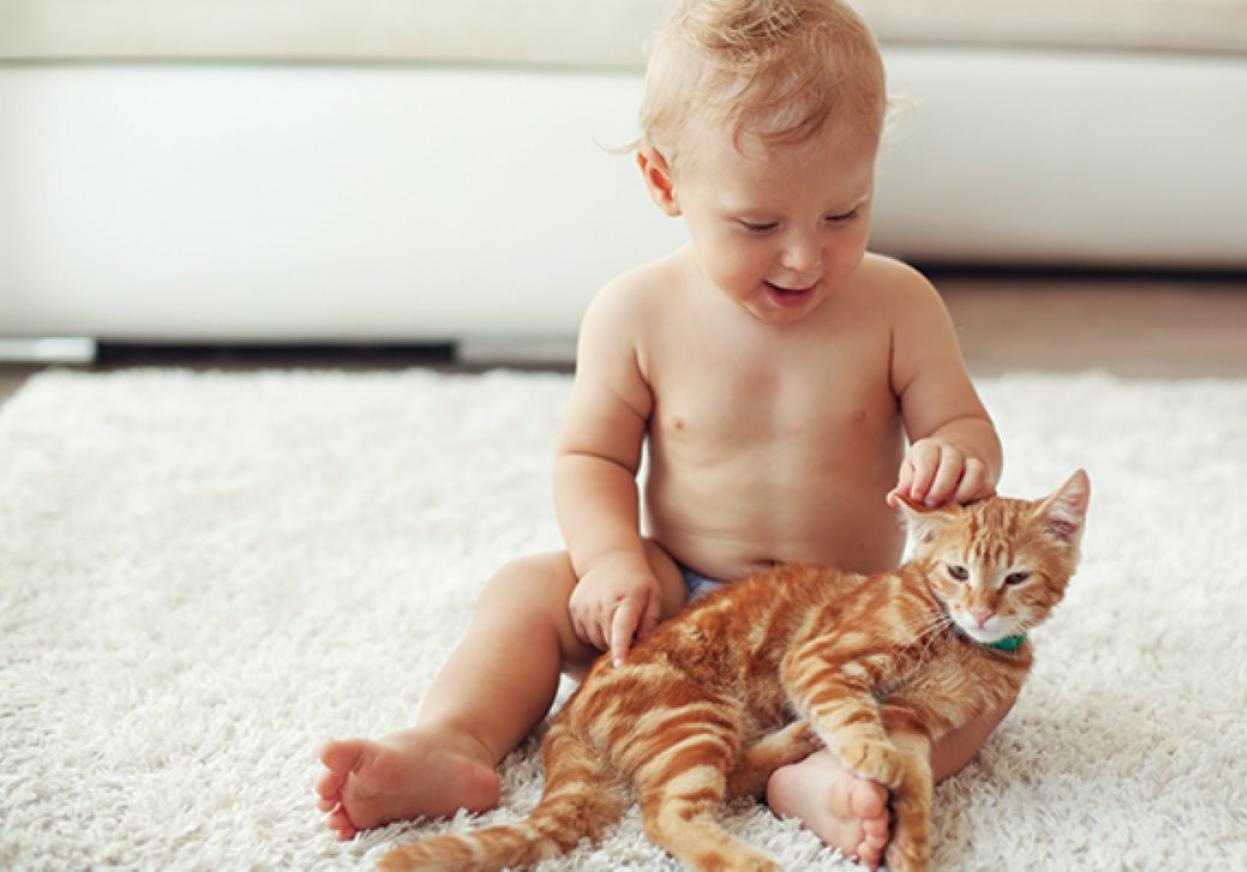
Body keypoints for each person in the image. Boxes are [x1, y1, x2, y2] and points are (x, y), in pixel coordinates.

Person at [315, 1, 1008, 866]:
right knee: (525, 590)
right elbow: (592, 456)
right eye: (759, 224)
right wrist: (609, 560)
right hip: (677, 596)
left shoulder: (900, 304)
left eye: (845, 214)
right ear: (663, 181)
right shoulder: (635, 313)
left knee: (987, 671)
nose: (806, 257)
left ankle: (821, 774)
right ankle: (455, 738)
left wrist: (958, 456)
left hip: (848, 618)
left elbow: (961, 424)